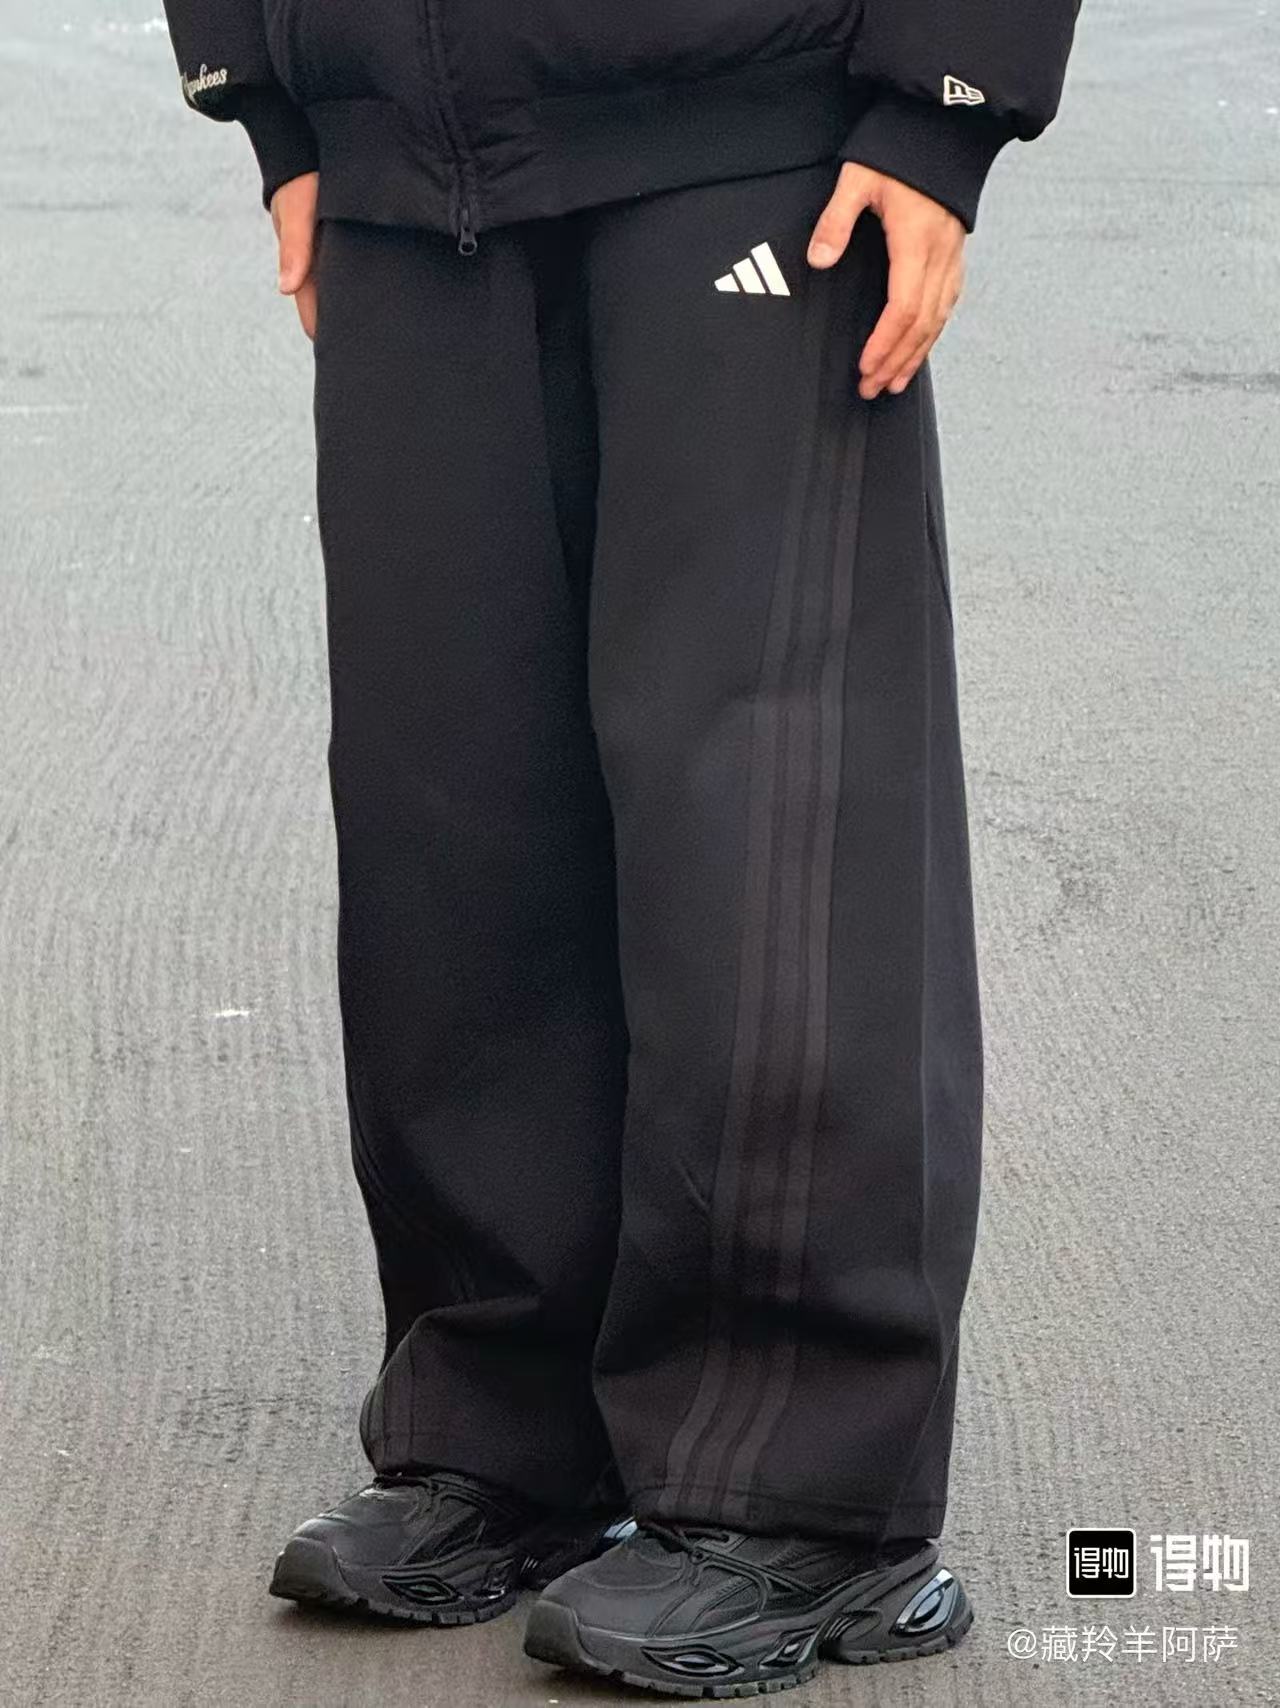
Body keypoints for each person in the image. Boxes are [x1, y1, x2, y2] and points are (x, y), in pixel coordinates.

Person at [161, 0, 1078, 1692]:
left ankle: (807, 1493)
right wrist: (268, 95)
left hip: (755, 123)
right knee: (455, 803)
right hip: (393, 143)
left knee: (765, 797)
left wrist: (947, 103)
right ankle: (506, 1424)